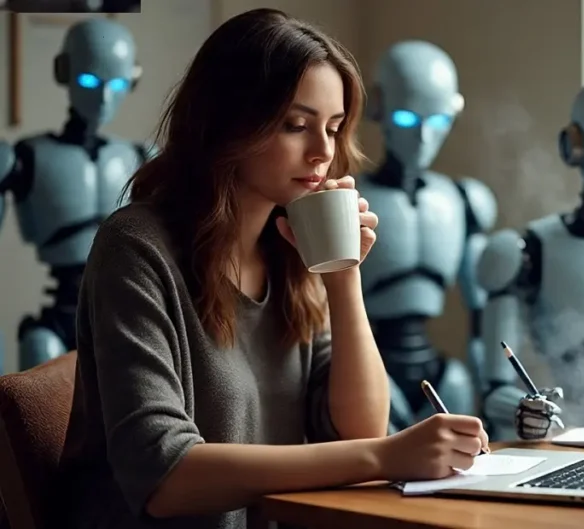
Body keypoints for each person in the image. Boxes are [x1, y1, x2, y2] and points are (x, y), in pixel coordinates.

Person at [59, 9, 489, 529]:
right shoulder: (136, 248)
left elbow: (357, 428)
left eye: (333, 128)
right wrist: (387, 457)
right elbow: (164, 476)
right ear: (230, 122)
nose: (323, 152)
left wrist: (342, 275)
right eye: (296, 125)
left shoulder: (291, 248)